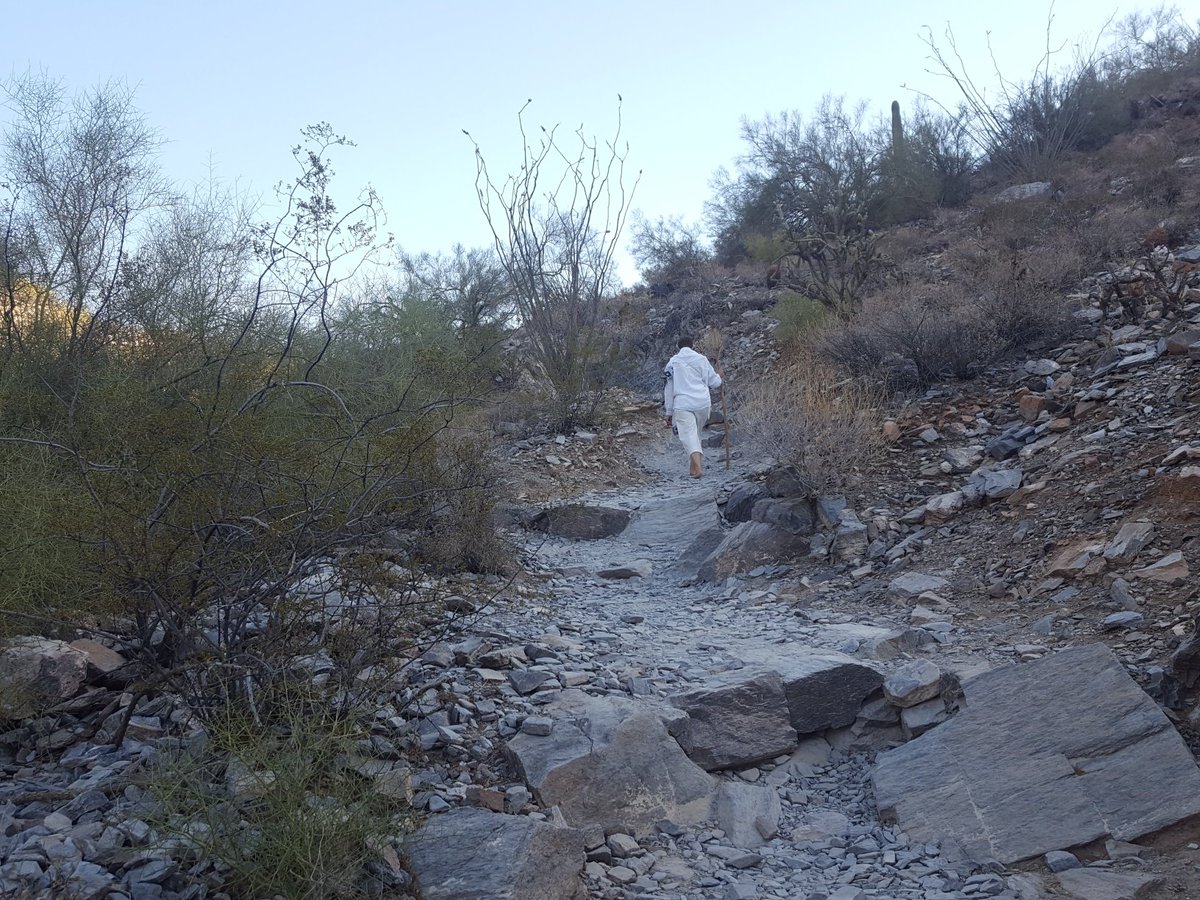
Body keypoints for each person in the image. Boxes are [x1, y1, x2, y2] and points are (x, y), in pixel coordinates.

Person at [663, 336, 723, 478]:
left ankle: (698, 467)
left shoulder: (673, 363)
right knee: (696, 434)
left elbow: (669, 388)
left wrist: (669, 411)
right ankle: (693, 468)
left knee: (689, 434)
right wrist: (719, 376)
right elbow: (714, 382)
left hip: (683, 403)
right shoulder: (702, 359)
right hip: (702, 402)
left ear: (678, 346)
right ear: (692, 345)